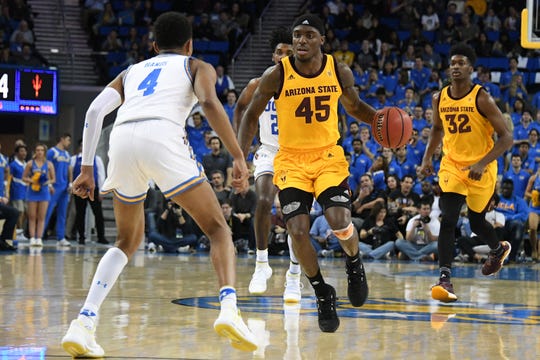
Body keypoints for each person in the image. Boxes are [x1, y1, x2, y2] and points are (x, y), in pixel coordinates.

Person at [60, 12, 257, 358]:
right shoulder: (197, 66)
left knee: (127, 240)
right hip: (162, 135)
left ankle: (84, 322)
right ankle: (229, 309)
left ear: (153, 46)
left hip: (121, 138)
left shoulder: (131, 72)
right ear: (190, 44)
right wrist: (238, 156)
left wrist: (87, 167)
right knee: (217, 229)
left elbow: (93, 113)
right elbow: (210, 102)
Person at [238, 14, 372, 333]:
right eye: (297, 35)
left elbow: (354, 107)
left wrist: (380, 121)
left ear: (322, 40)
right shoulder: (277, 74)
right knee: (297, 230)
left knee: (340, 220)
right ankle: (322, 292)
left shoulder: (338, 70)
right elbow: (250, 114)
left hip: (327, 155)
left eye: (309, 35)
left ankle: (354, 262)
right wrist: (238, 158)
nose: (301, 40)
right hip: (291, 161)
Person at [419, 43, 513, 303]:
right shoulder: (439, 97)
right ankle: (445, 278)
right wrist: (428, 158)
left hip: (482, 166)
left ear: (471, 69)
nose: (456, 67)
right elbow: (437, 129)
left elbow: (507, 138)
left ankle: (497, 249)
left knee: (476, 222)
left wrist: (482, 163)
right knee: (448, 219)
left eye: (461, 63)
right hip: (452, 165)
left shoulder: (482, 97)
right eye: (453, 63)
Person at [234, 27, 302, 302]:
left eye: (288, 52)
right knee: (262, 200)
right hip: (269, 151)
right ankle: (261, 264)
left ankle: (294, 276)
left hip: (298, 155)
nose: (282, 56)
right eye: (278, 51)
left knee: (295, 216)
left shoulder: (304, 82)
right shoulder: (257, 84)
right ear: (273, 55)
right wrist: (240, 150)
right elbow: (240, 109)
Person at [70, 140, 108, 245]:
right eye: (83, 145)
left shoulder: (97, 159)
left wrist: (101, 191)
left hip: (93, 189)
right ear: (80, 147)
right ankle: (81, 237)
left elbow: (101, 175)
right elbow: (70, 174)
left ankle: (101, 237)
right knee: (80, 214)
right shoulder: (74, 159)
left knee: (98, 214)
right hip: (79, 190)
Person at [23, 143, 55, 247]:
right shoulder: (30, 164)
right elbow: (24, 177)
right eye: (37, 150)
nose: (39, 152)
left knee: (42, 217)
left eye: (41, 150)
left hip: (44, 192)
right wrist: (31, 180)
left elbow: (53, 179)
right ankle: (32, 238)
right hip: (32, 191)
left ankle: (39, 238)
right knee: (32, 216)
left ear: (44, 152)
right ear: (35, 152)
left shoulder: (49, 164)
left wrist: (46, 182)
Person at [43, 133, 72, 246]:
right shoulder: (51, 152)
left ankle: (61, 237)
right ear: (62, 139)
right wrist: (49, 184)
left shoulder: (67, 154)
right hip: (54, 187)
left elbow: (70, 169)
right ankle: (39, 236)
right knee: (47, 212)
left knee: (62, 213)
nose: (69, 143)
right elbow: (46, 167)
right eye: (68, 140)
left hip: (65, 188)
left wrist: (70, 183)